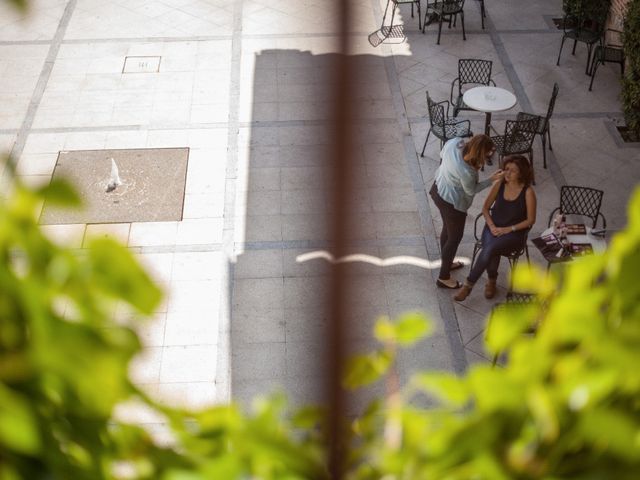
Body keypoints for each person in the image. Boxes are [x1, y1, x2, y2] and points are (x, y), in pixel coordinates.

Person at [454, 154, 537, 301]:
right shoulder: (499, 184)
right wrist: (492, 226)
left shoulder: (528, 192)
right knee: (492, 247)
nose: (507, 173)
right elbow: (485, 208)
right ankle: (491, 280)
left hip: (514, 233)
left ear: (522, 173)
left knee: (491, 248)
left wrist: (508, 229)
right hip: (493, 228)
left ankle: (469, 285)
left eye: (512, 171)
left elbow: (530, 220)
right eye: (506, 169)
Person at [429, 134, 504, 289]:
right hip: (453, 204)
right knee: (454, 238)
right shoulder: (467, 172)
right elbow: (471, 190)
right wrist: (491, 180)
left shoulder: (455, 143)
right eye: (487, 155)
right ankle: (444, 277)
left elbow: (442, 155)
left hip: (438, 189)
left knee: (447, 230)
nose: (488, 158)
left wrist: (451, 174)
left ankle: (447, 263)